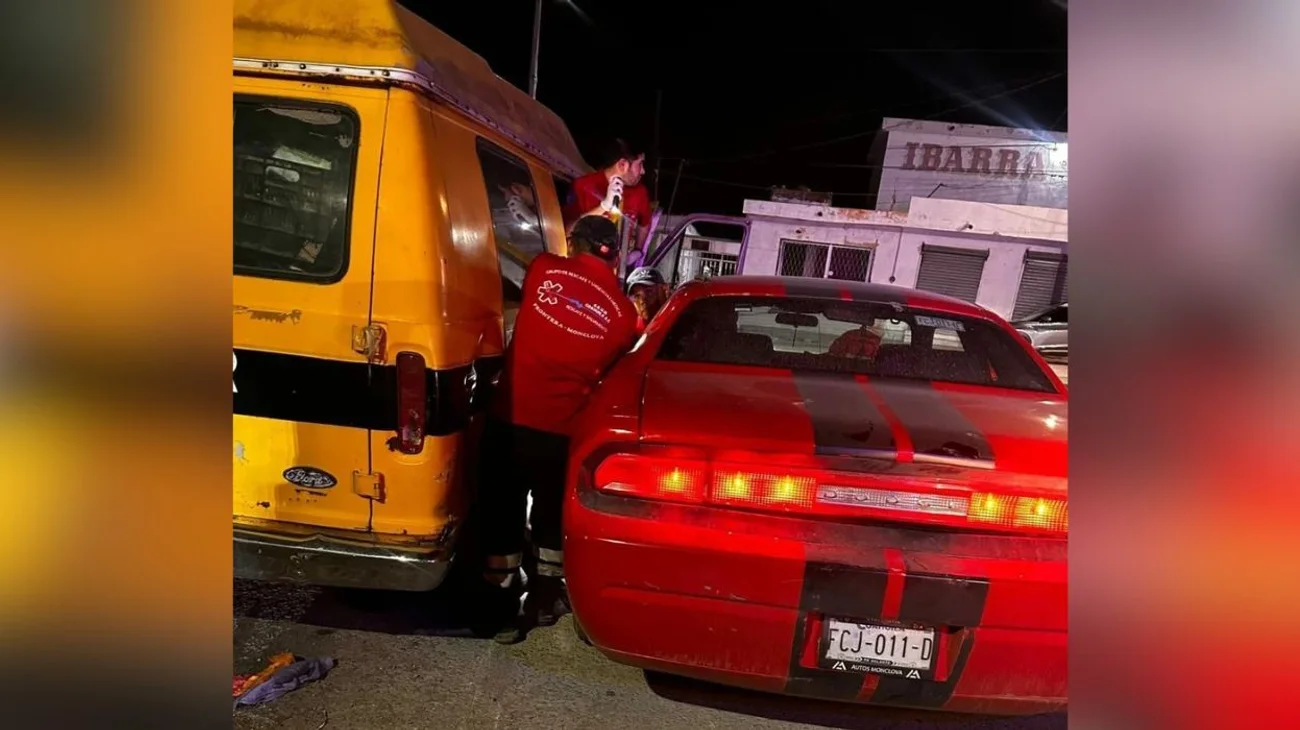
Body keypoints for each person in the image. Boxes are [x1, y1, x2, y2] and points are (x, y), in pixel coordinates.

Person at [474, 215, 639, 644]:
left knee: (502, 513)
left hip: (511, 421)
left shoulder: (545, 270)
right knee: (551, 518)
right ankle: (547, 597)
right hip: (565, 435)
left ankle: (501, 608)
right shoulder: (622, 316)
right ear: (616, 255)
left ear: (574, 243)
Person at [562, 138, 654, 258]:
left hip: (616, 269)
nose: (643, 171)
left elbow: (645, 223)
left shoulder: (640, 192)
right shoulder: (583, 186)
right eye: (640, 164)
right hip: (583, 264)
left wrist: (638, 250)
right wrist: (603, 206)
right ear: (622, 165)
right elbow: (565, 230)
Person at [624, 266, 670, 335]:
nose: (642, 300)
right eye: (637, 296)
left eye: (649, 291)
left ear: (665, 289)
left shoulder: (676, 322)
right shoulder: (631, 331)